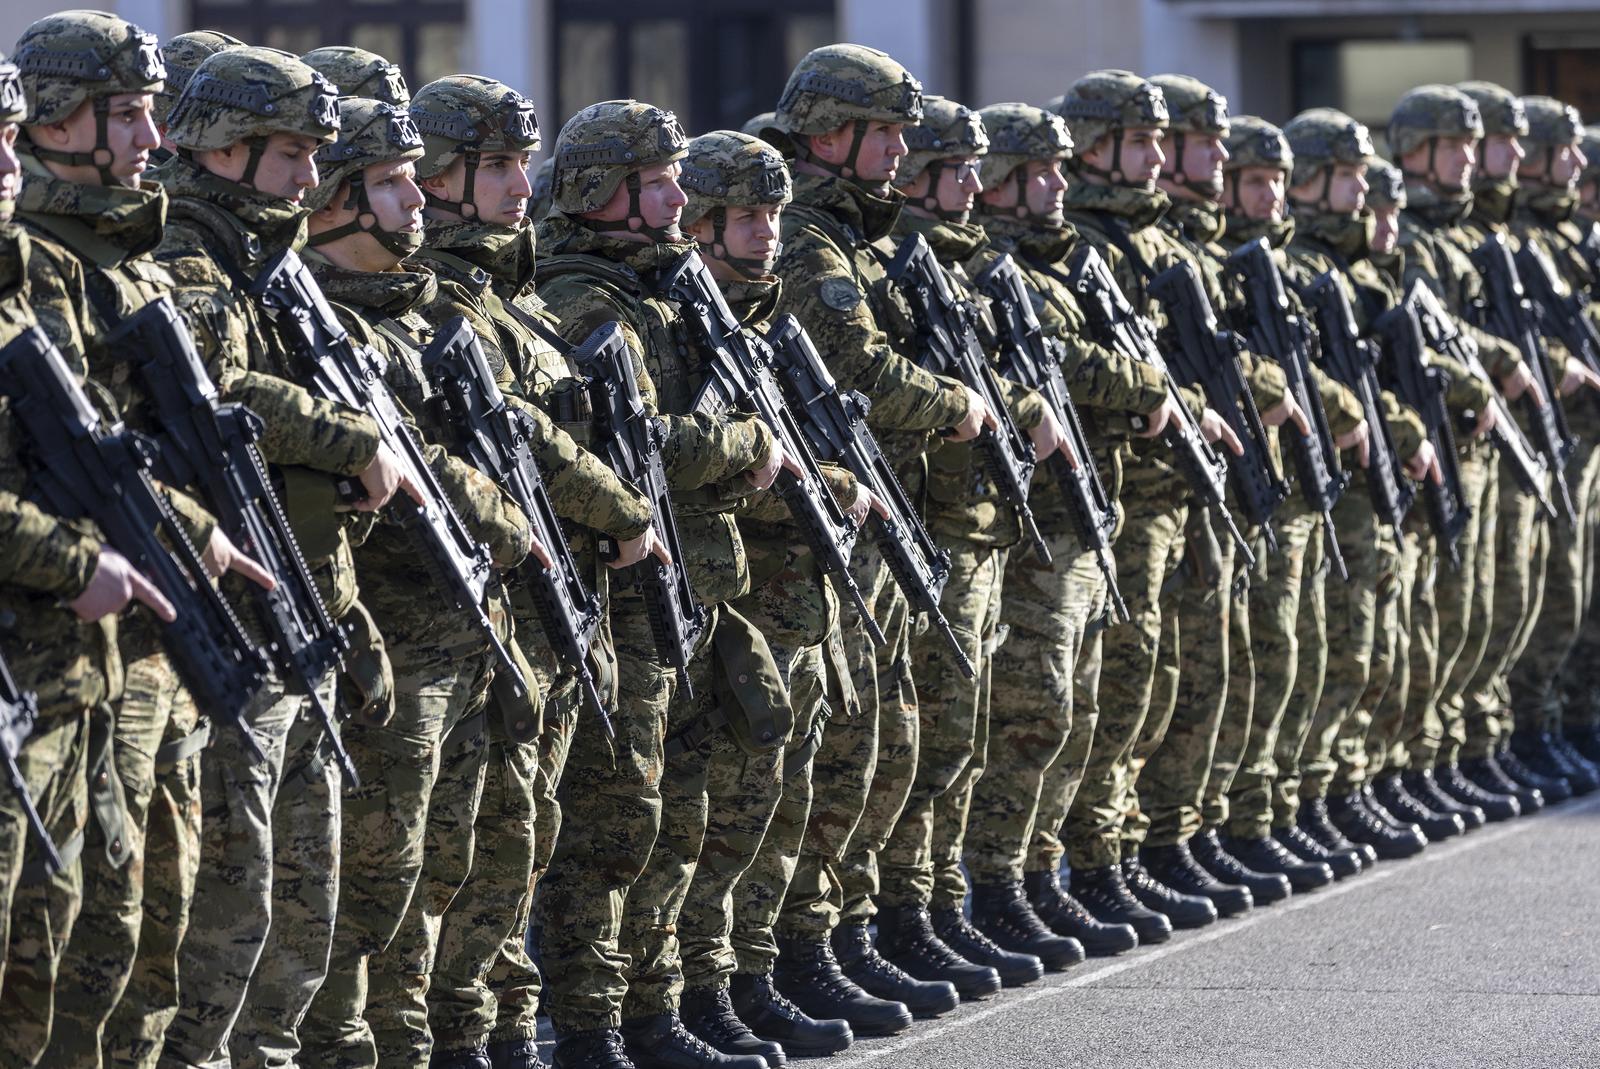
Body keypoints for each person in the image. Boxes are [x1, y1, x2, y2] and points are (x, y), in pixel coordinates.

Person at [150, 45, 417, 1069]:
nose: (313, 178)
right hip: (236, 626)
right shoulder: (187, 256)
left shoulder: (264, 260)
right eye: (294, 153)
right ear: (228, 148)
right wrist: (350, 438)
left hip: (305, 604)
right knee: (234, 904)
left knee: (304, 903)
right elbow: (225, 397)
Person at [404, 72, 656, 1069]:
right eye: (499, 165)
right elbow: (517, 442)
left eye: (523, 161)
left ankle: (507, 1035)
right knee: (443, 862)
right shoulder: (436, 295)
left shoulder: (509, 295)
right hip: (462, 615)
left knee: (516, 842)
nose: (523, 183)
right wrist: (610, 505)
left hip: (534, 616)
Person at [533, 97, 781, 1069]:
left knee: (685, 808)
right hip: (621, 599)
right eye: (657, 180)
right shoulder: (584, 301)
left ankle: (665, 1001)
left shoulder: (660, 290)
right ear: (604, 191)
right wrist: (742, 444)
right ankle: (597, 1024)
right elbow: (629, 448)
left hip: (689, 587)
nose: (680, 197)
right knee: (617, 823)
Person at [757, 43, 990, 1033]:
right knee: (835, 752)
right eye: (885, 131)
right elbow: (859, 370)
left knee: (879, 745)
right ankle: (810, 947)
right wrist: (962, 406)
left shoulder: (855, 237)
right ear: (828, 133)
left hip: (862, 517)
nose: (903, 149)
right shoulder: (809, 243)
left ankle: (852, 933)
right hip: (802, 536)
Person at [962, 100, 1151, 959]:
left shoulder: (1064, 261)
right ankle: (998, 882)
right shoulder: (988, 267)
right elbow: (1057, 363)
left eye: (1060, 169)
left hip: (1080, 510)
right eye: (1037, 171)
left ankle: (1043, 873)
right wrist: (1138, 383)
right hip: (1028, 520)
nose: (1055, 187)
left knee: (1077, 707)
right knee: (1031, 710)